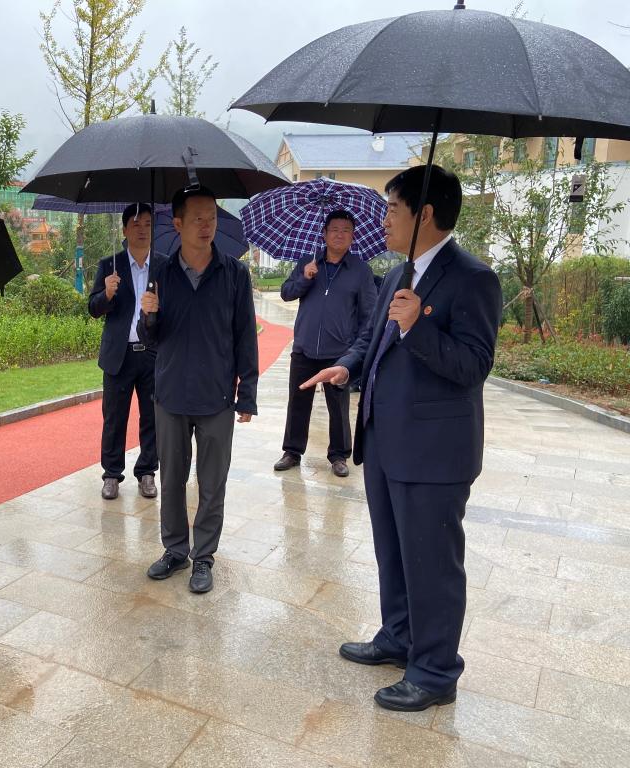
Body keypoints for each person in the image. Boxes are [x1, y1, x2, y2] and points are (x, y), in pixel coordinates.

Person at [301, 165, 502, 712]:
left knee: (432, 562)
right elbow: (370, 338)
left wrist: (419, 327)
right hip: (386, 441)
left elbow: (473, 366)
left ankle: (435, 671)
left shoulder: (473, 278)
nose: (384, 219)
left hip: (434, 453)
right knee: (393, 551)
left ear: (425, 214)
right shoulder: (397, 274)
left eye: (392, 208)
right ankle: (399, 637)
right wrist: (346, 366)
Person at [139, 186, 259, 594]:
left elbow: (245, 336)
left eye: (212, 217)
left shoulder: (234, 274)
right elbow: (150, 340)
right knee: (172, 478)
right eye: (197, 218)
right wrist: (148, 316)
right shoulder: (161, 273)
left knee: (212, 482)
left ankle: (203, 556)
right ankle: (175, 550)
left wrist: (247, 393)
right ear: (178, 224)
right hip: (171, 394)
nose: (206, 225)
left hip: (216, 396)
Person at [274, 210, 376, 477]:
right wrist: (304, 278)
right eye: (334, 229)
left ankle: (339, 455)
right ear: (324, 234)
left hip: (339, 353)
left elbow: (369, 315)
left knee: (339, 408)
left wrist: (354, 350)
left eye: (346, 230)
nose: (340, 234)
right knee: (298, 402)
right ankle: (292, 451)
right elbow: (286, 293)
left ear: (352, 236)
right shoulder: (308, 263)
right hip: (304, 348)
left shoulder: (360, 271)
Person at [87, 203, 166, 500]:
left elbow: (174, 310)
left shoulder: (163, 265)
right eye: (136, 224)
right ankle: (111, 474)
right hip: (118, 355)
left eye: (147, 223)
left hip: (153, 354)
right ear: (124, 230)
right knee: (114, 418)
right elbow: (93, 308)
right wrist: (106, 293)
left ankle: (147, 472)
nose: (142, 229)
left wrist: (159, 307)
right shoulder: (110, 265)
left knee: (152, 418)